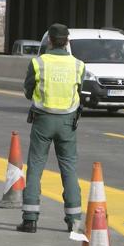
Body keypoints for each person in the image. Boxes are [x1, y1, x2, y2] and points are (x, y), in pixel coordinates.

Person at [16, 23, 85, 233]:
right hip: (67, 123)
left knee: (35, 167)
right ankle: (74, 221)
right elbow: (80, 90)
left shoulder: (38, 63)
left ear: (49, 41)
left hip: (43, 120)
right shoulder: (78, 65)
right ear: (67, 41)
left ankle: (30, 219)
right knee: (69, 169)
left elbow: (29, 91)